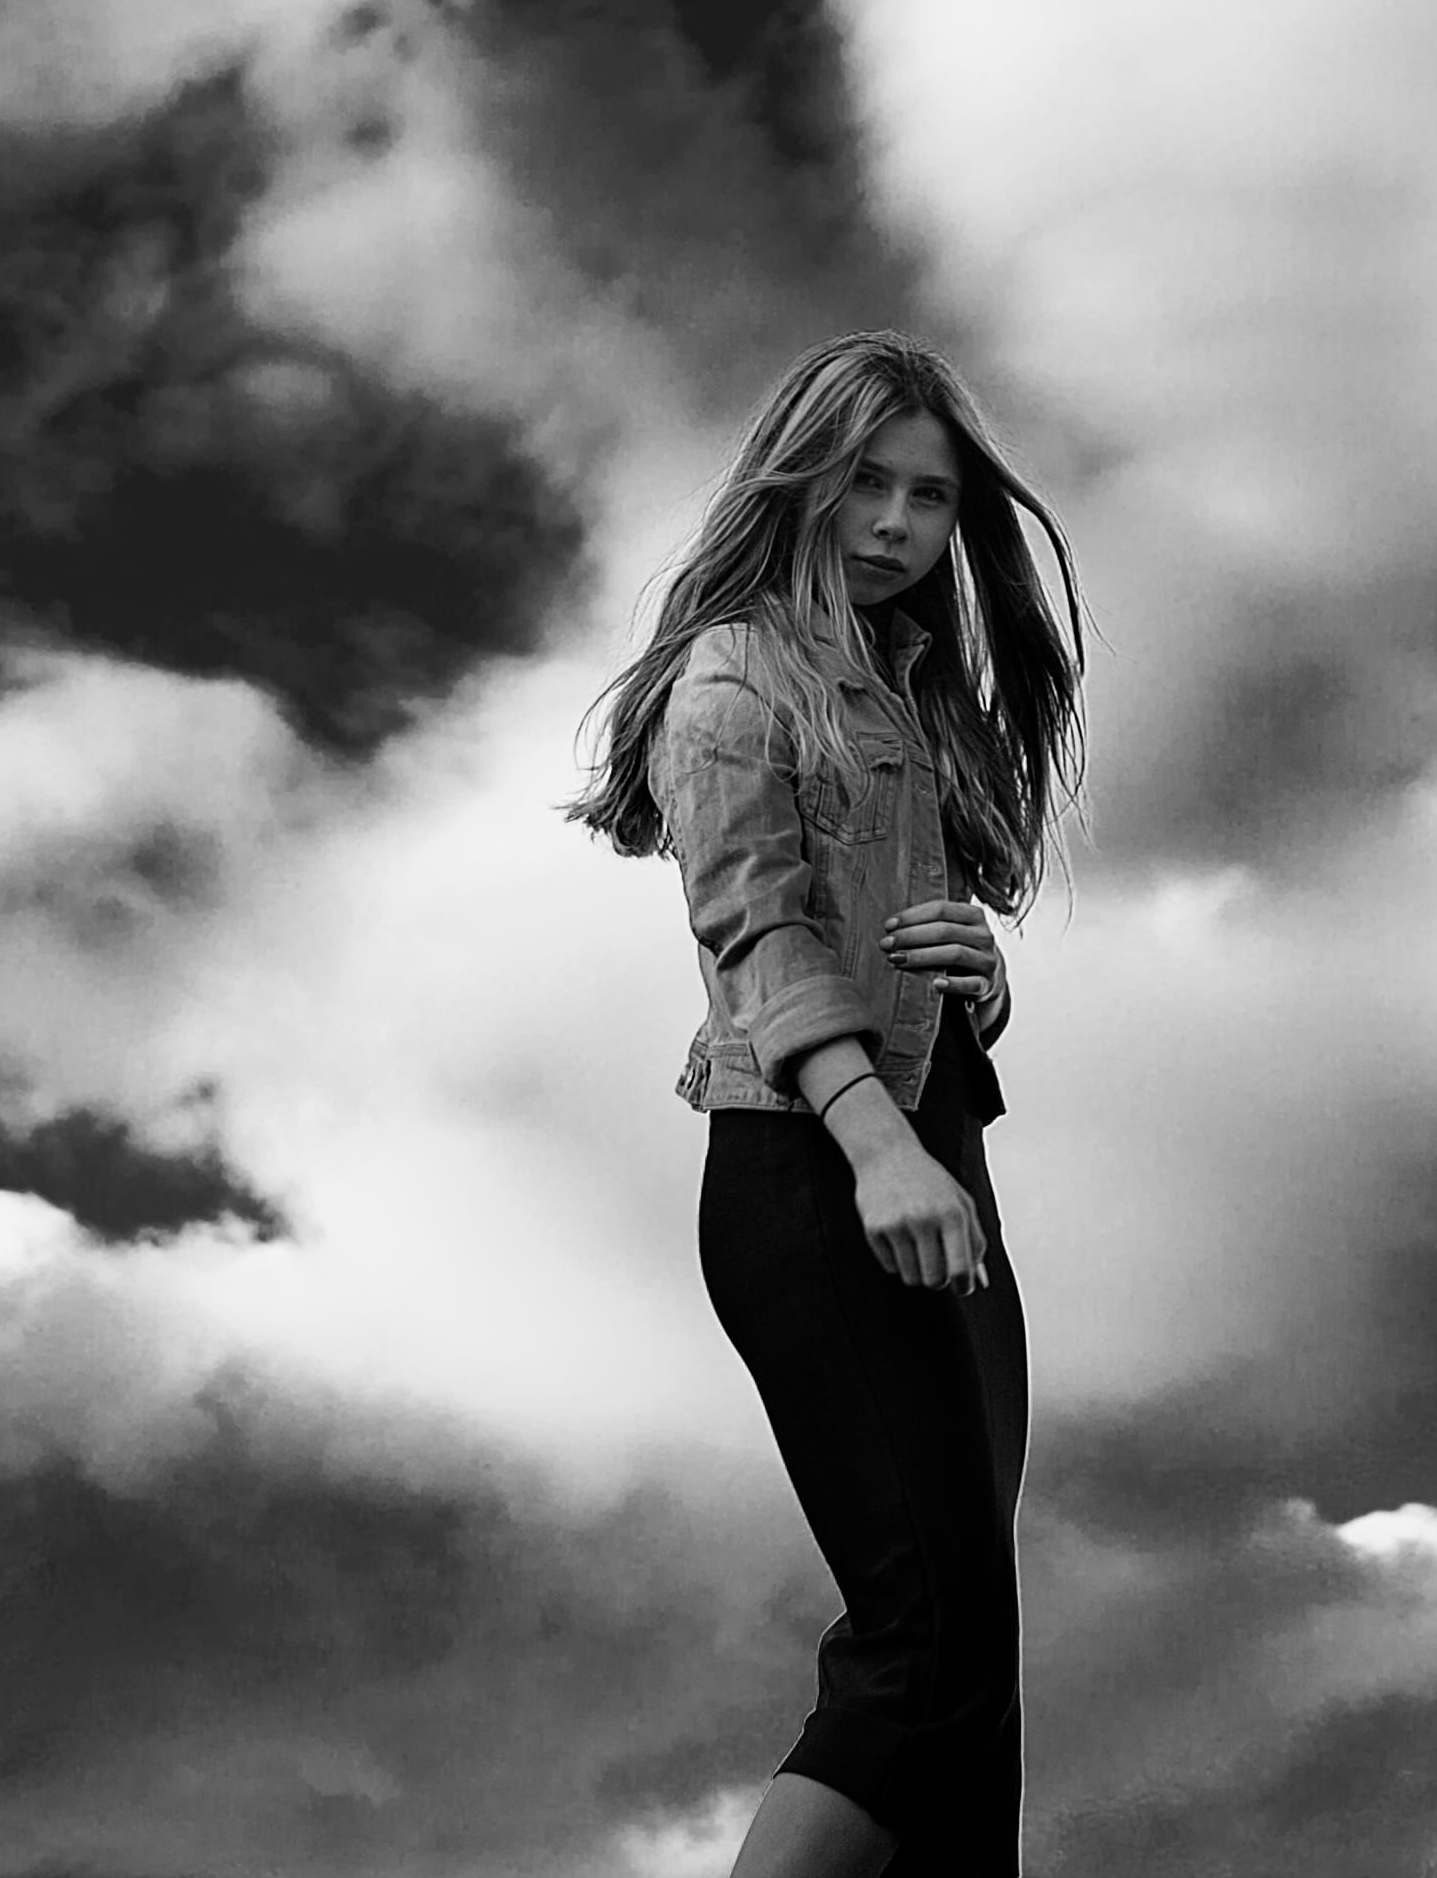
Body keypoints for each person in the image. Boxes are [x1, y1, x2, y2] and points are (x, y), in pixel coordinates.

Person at [573, 334, 1087, 1878]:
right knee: (919, 1643)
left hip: (938, 1156)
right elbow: (758, 934)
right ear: (799, 477)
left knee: (971, 1663)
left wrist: (978, 973)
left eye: (929, 498)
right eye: (867, 483)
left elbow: (912, 925)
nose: (896, 525)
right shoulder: (734, 675)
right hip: (819, 1167)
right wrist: (876, 1151)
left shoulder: (914, 698)